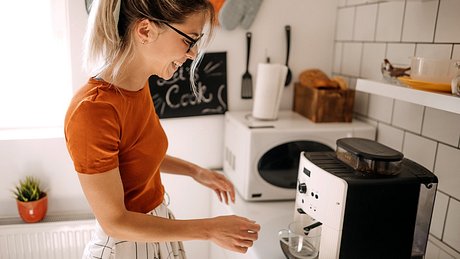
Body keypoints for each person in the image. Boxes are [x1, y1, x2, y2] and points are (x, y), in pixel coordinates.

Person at [64, 0, 260, 258]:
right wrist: (209, 229)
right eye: (189, 40)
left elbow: (137, 154)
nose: (192, 53)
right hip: (125, 245)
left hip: (156, 231)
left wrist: (196, 172)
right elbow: (116, 222)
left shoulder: (138, 85)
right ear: (145, 31)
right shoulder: (92, 111)